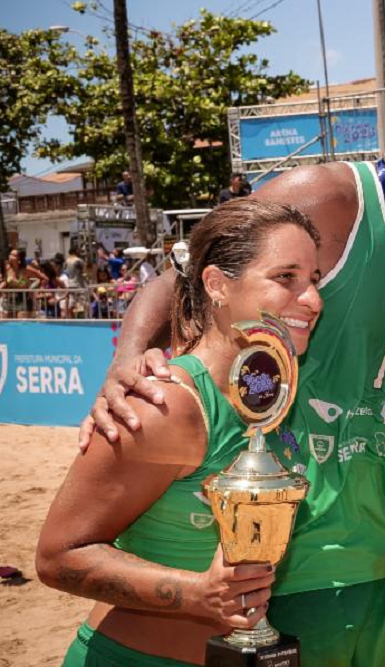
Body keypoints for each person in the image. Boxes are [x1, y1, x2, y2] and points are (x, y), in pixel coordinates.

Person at [79, 47, 385, 666]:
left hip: (375, 549)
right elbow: (186, 273)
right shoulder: (331, 196)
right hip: (285, 568)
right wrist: (130, 359)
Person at [36, 199, 323, 666]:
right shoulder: (164, 405)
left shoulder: (276, 396)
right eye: (286, 277)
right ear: (217, 284)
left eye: (314, 280)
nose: (313, 300)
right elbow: (57, 557)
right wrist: (197, 594)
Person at [1, 248, 47, 318]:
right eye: (10, 254)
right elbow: (5, 282)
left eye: (13, 255)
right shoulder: (7, 268)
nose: (10, 256)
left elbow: (44, 278)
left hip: (24, 299)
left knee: (21, 322)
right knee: (9, 323)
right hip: (11, 300)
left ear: (19, 258)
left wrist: (36, 289)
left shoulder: (27, 269)